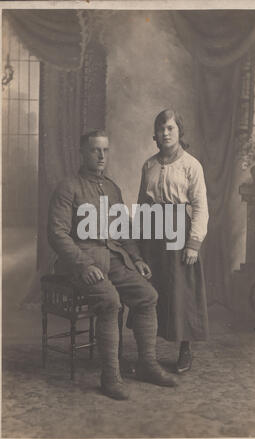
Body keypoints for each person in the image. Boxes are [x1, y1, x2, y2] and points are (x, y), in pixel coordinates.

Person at [47, 129, 178, 401]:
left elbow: (124, 233)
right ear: (82, 153)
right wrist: (83, 265)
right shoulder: (68, 187)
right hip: (79, 261)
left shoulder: (112, 188)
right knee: (110, 301)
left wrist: (138, 259)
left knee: (148, 296)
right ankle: (110, 376)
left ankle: (147, 364)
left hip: (113, 258)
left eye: (105, 150)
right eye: (95, 150)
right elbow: (57, 234)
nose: (101, 156)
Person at [135, 109, 209, 373]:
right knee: (152, 288)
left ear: (179, 131)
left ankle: (185, 350)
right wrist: (138, 246)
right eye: (161, 129)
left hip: (179, 232)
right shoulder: (149, 165)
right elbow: (142, 205)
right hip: (152, 234)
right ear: (155, 134)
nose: (165, 133)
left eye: (170, 128)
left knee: (182, 292)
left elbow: (200, 207)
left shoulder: (191, 165)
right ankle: (147, 353)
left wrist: (193, 243)